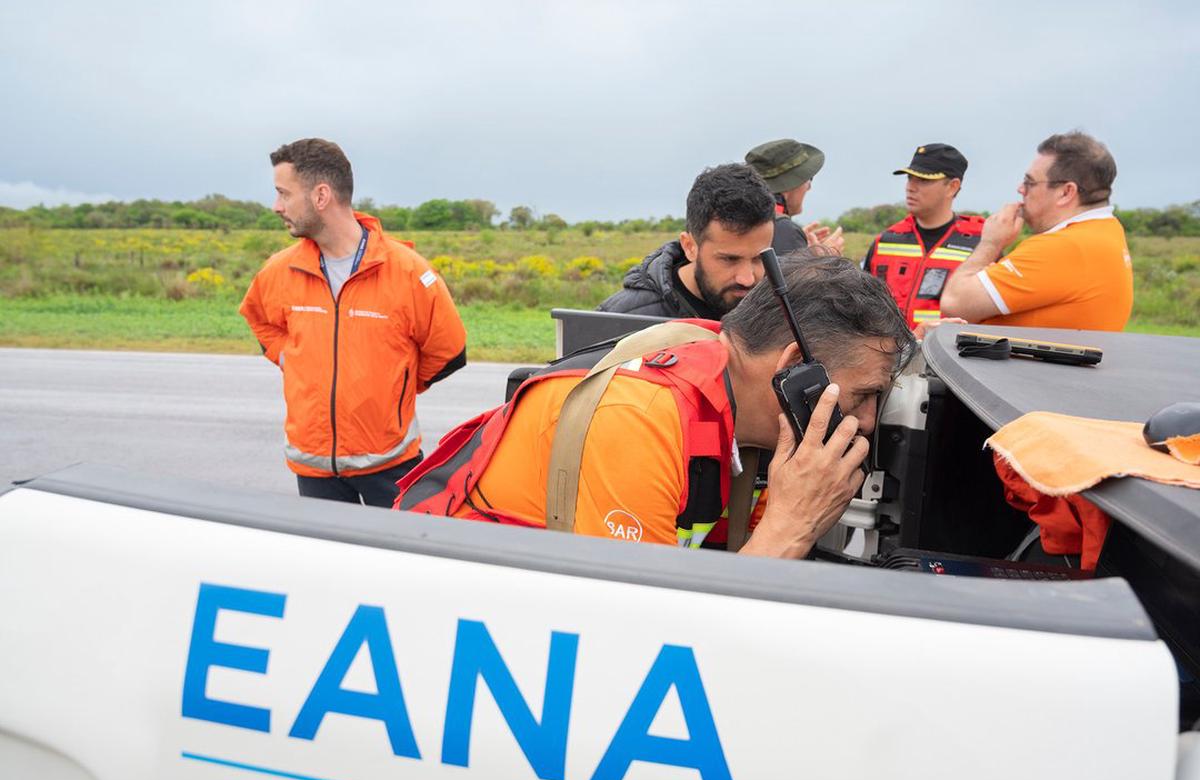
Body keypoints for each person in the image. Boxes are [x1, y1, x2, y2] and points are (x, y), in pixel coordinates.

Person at [395, 254, 915, 559]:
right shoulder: (638, 418)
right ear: (795, 367)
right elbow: (650, 634)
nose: (868, 420)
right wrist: (792, 526)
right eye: (864, 394)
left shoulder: (726, 376)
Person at [240, 138, 467, 506]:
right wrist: (291, 359)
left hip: (389, 463)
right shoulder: (279, 270)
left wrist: (392, 384)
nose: (276, 206)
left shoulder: (409, 272)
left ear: (321, 196)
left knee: (397, 559)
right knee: (327, 563)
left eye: (284, 193)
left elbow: (450, 351)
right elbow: (259, 320)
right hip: (313, 467)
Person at [940, 131, 1133, 330]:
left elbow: (955, 303)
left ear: (1066, 192)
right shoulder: (1108, 231)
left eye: (1030, 182)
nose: (1020, 189)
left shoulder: (1063, 247)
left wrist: (991, 242)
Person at [597, 164, 776, 319]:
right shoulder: (621, 320)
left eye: (760, 259)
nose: (747, 279)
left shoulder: (780, 314)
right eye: (729, 259)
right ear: (689, 246)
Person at [862, 143, 985, 329]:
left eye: (923, 180)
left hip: (945, 354)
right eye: (910, 178)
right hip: (889, 354)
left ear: (952, 187)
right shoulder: (885, 241)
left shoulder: (981, 247)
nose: (910, 187)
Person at [745, 138, 844, 256]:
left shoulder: (745, 217)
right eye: (808, 179)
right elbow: (787, 275)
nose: (809, 188)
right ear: (790, 185)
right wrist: (826, 260)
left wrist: (801, 247)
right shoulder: (783, 229)